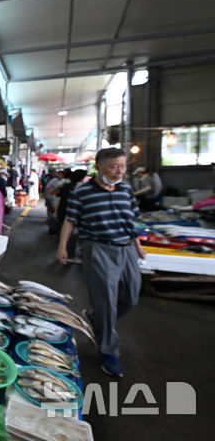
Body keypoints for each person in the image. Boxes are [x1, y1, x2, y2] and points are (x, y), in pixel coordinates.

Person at [57, 148, 147, 378]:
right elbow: (70, 220)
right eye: (114, 166)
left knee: (131, 296)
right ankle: (108, 353)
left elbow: (132, 220)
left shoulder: (126, 189)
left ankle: (97, 319)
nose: (120, 172)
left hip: (126, 248)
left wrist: (137, 246)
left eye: (123, 167)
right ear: (99, 166)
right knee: (106, 302)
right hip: (98, 248)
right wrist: (62, 246)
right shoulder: (82, 191)